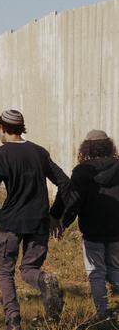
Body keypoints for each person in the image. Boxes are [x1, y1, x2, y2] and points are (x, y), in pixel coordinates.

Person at [0, 109, 71, 330]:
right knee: (29, 271)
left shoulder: (0, 155)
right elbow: (65, 184)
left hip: (10, 223)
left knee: (5, 272)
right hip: (40, 222)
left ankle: (14, 325)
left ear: (2, 128)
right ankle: (44, 281)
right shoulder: (39, 152)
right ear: (21, 127)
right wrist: (55, 214)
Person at [52, 130, 119, 319]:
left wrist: (63, 222)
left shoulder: (82, 171)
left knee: (96, 272)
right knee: (115, 269)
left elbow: (73, 201)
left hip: (92, 230)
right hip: (116, 230)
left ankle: (103, 313)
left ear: (86, 147)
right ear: (109, 145)